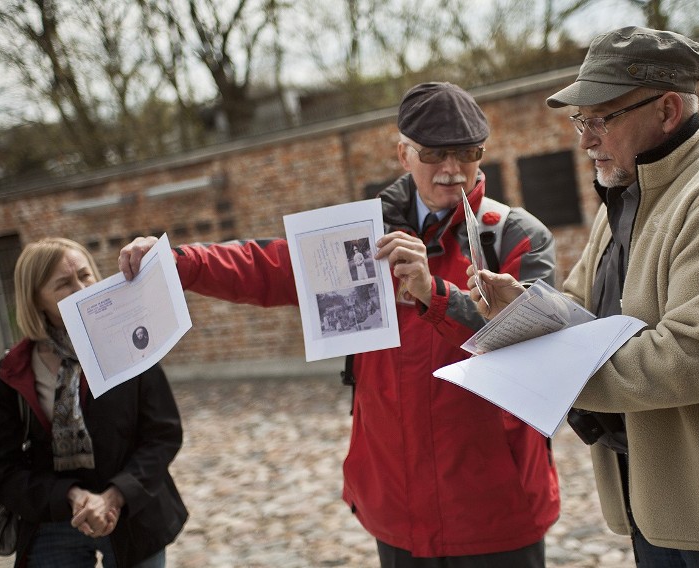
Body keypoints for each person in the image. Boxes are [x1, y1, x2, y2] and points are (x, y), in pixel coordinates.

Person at [119, 82, 561, 567]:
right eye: (435, 153)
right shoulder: (361, 231)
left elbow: (534, 345)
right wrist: (178, 262)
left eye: (467, 152)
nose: (452, 168)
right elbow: (268, 267)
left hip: (494, 506)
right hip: (397, 501)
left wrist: (436, 295)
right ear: (404, 154)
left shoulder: (516, 235)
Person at [468, 27, 699, 567]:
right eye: (578, 120)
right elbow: (580, 305)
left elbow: (692, 359)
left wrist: (548, 368)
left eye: (600, 119)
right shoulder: (628, 196)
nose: (585, 138)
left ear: (668, 110)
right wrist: (519, 308)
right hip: (655, 502)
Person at [0, 238, 187, 567]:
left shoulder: (132, 344)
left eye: (84, 275)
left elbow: (163, 434)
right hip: (53, 517)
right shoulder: (9, 376)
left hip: (132, 512)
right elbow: (2, 469)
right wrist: (72, 497)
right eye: (63, 284)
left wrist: (113, 497)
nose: (80, 288)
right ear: (35, 299)